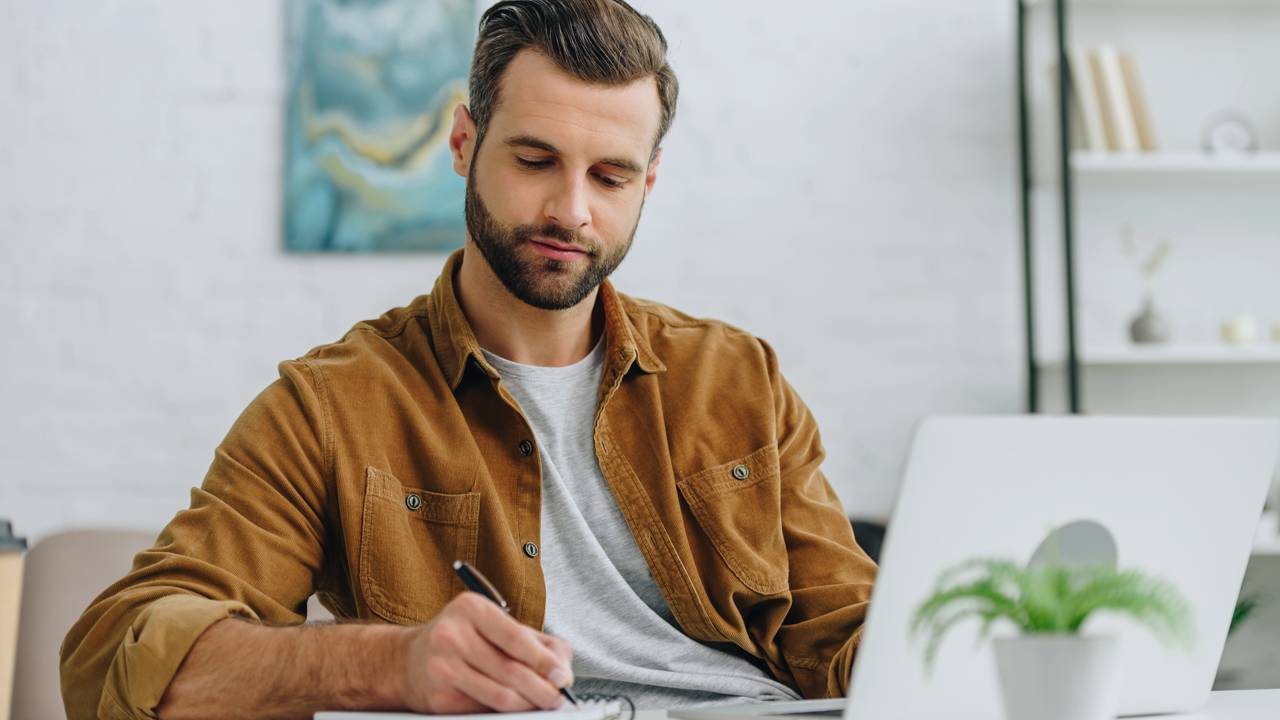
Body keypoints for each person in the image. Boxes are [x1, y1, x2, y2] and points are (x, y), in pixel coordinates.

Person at [60, 1, 877, 717]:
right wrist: (390, 666)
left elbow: (851, 634)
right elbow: (112, 660)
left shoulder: (739, 379)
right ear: (463, 143)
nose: (571, 210)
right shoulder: (332, 407)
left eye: (610, 177)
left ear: (648, 185)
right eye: (535, 161)